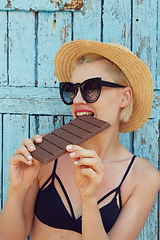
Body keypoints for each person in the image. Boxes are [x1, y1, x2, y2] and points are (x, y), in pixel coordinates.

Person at [0, 40, 160, 240]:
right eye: (72, 89)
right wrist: (17, 189)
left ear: (124, 97)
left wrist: (89, 198)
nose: (76, 100)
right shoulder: (46, 151)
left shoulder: (143, 177)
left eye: (90, 88)